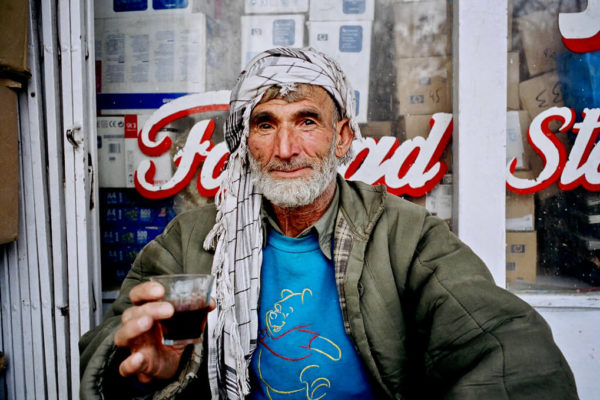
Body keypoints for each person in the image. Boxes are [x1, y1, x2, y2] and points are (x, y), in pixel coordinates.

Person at [80, 47, 578, 400]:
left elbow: (508, 347)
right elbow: (103, 351)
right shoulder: (193, 241)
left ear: (342, 137)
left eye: (307, 121)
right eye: (266, 124)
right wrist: (150, 374)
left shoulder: (405, 236)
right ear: (244, 141)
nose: (286, 149)